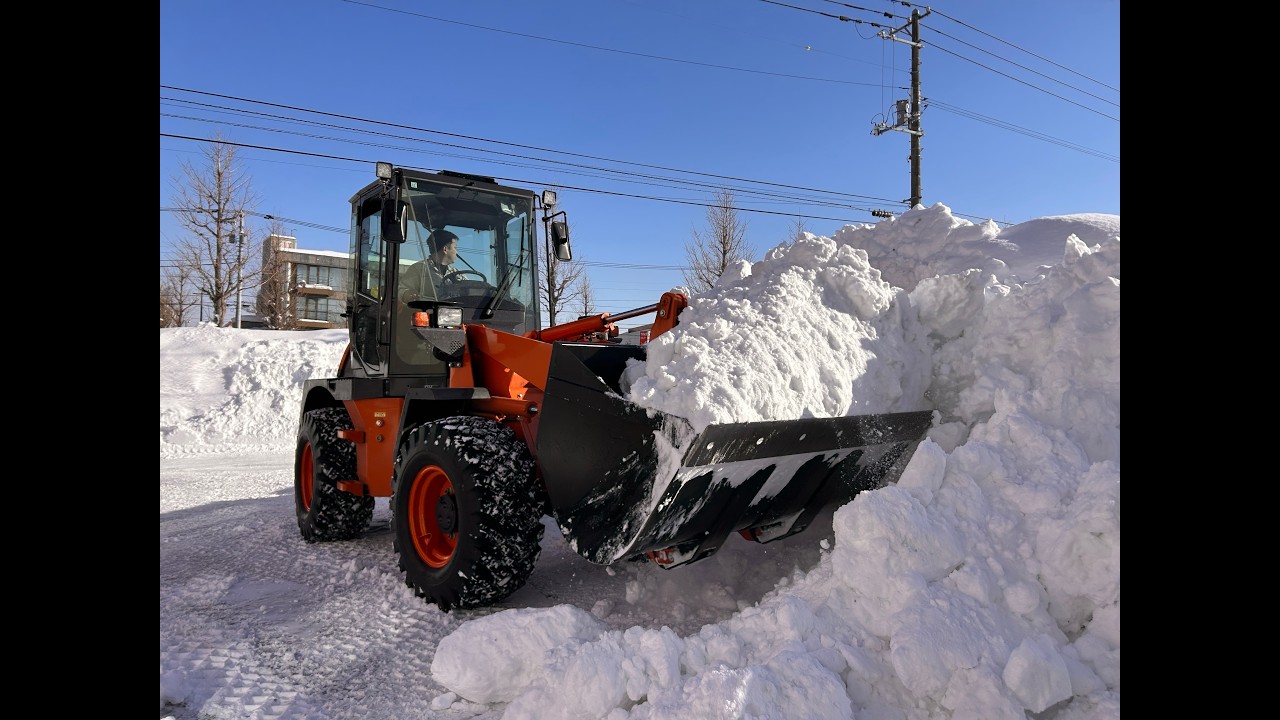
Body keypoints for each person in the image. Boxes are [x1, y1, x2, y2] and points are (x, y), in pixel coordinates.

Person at [399, 229, 458, 303]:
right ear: (445, 249)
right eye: (455, 248)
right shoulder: (418, 269)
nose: (456, 252)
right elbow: (401, 291)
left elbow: (469, 290)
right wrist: (407, 294)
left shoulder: (458, 275)